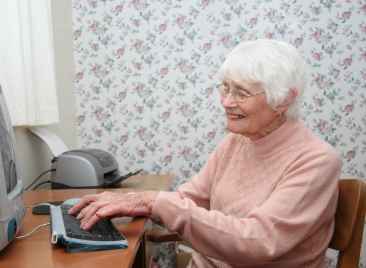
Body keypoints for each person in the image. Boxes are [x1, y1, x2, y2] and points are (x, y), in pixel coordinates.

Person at [69, 39, 341, 268]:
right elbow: (191, 200)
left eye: (241, 93)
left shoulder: (316, 160)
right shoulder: (235, 142)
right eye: (226, 87)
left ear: (283, 99)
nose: (226, 101)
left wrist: (154, 202)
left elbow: (257, 241)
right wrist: (130, 201)